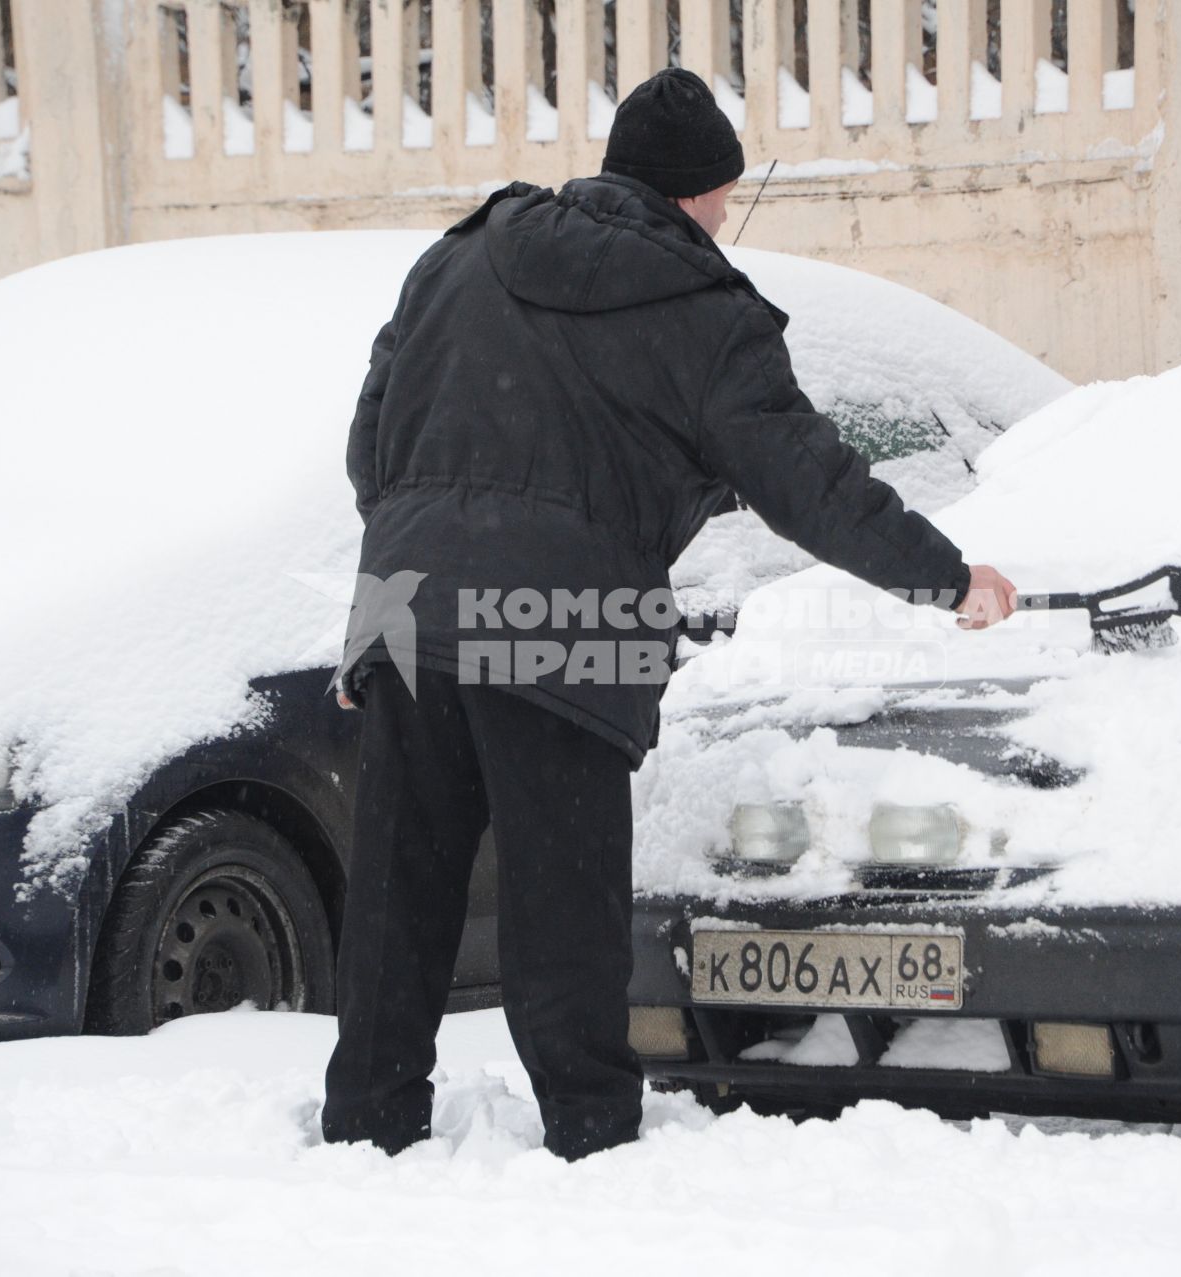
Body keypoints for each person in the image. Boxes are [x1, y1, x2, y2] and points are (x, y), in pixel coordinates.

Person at [323, 67, 1017, 1161]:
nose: (725, 220)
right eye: (725, 200)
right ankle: (592, 1137)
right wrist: (947, 577)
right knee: (564, 906)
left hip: (402, 608)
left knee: (399, 894)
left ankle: (366, 1126)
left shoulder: (459, 254)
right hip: (557, 620)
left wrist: (430, 543)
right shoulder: (702, 314)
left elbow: (371, 442)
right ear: (698, 194)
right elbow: (810, 483)